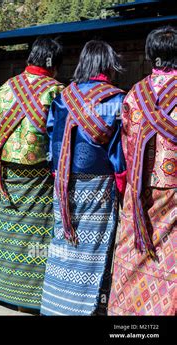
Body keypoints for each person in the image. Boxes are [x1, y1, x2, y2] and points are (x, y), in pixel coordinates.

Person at [41, 40, 126, 316]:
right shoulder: (115, 100)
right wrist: (123, 182)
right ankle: (87, 306)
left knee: (64, 243)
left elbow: (53, 140)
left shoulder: (64, 97)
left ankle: (55, 304)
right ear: (108, 65)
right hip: (98, 185)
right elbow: (120, 150)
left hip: (64, 184)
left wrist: (58, 176)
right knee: (94, 247)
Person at [0, 37, 64, 310]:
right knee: (36, 236)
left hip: (9, 175)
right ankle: (30, 299)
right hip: (40, 177)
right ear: (53, 64)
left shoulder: (5, 88)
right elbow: (59, 140)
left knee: (9, 233)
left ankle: (3, 290)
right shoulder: (56, 92)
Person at [108, 26, 176, 316]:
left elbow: (125, 141)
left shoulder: (134, 93)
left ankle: (125, 311)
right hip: (172, 186)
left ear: (150, 55)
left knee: (133, 250)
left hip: (138, 188)